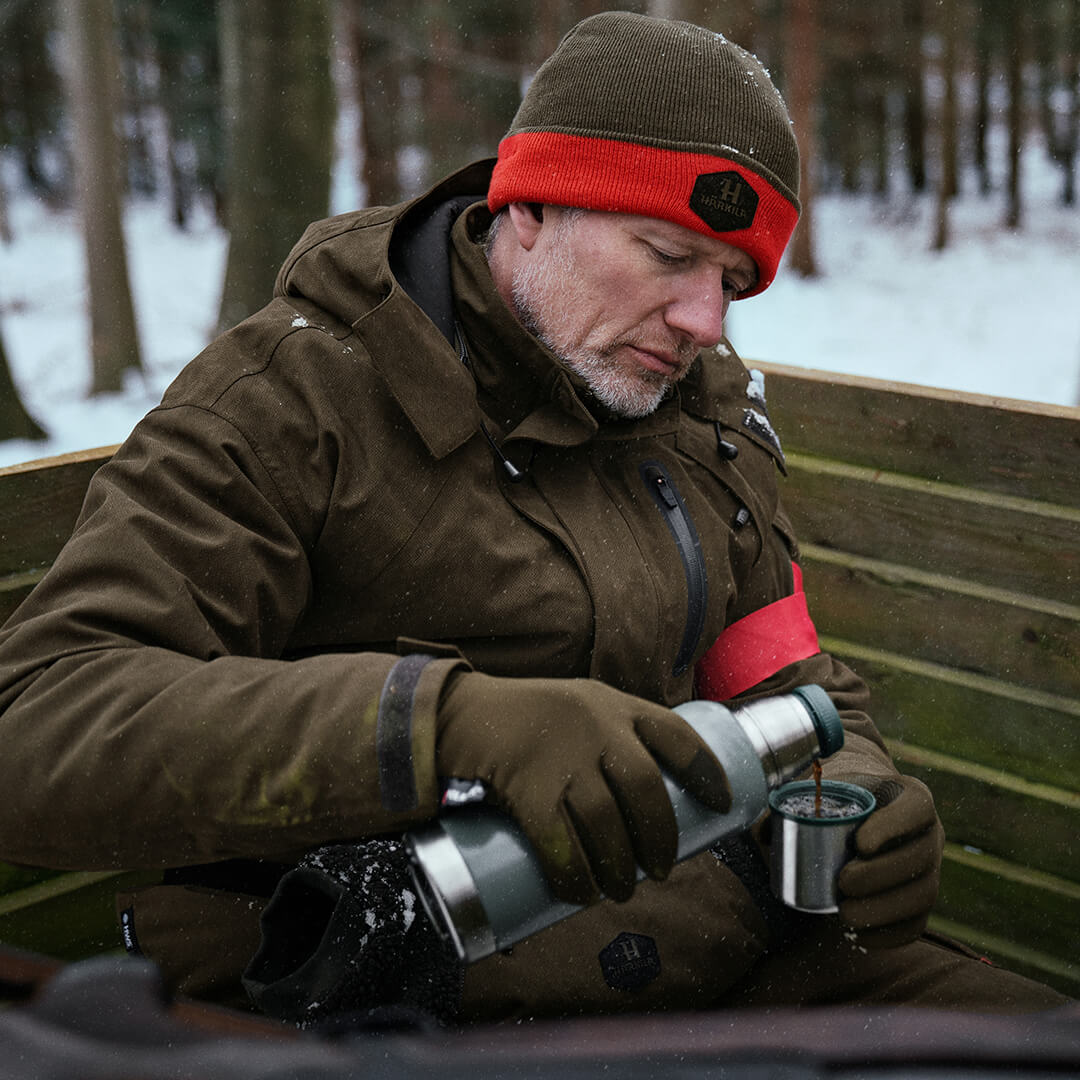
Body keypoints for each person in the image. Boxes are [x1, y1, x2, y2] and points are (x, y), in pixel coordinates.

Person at [0, 11, 1068, 1021]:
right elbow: (40, 721)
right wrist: (440, 730)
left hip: (723, 948)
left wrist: (859, 788)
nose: (705, 320)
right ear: (531, 206)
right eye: (669, 255)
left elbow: (778, 668)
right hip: (387, 992)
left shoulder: (698, 407)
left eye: (733, 280)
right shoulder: (296, 399)